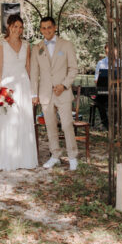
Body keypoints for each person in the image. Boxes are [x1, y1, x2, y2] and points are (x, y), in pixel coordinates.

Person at [31, 17, 79, 170]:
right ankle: (55, 156)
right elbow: (34, 73)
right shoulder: (36, 48)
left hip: (63, 92)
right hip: (45, 93)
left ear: (55, 27)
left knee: (66, 125)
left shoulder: (66, 45)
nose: (47, 30)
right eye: (43, 28)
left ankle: (72, 156)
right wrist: (34, 94)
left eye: (49, 27)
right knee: (50, 126)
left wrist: (64, 85)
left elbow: (73, 69)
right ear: (40, 30)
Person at [0, 14, 38, 171]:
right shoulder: (0, 44)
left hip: (23, 84)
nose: (18, 30)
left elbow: (28, 67)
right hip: (7, 84)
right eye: (15, 26)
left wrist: (33, 91)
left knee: (23, 119)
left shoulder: (26, 45)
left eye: (20, 27)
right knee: (7, 119)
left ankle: (23, 159)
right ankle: (6, 159)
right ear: (9, 26)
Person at [94, 43, 122, 131]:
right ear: (106, 53)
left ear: (117, 51)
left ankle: (116, 123)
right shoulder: (100, 63)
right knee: (99, 101)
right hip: (105, 92)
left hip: (118, 92)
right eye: (109, 52)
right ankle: (106, 124)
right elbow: (96, 80)